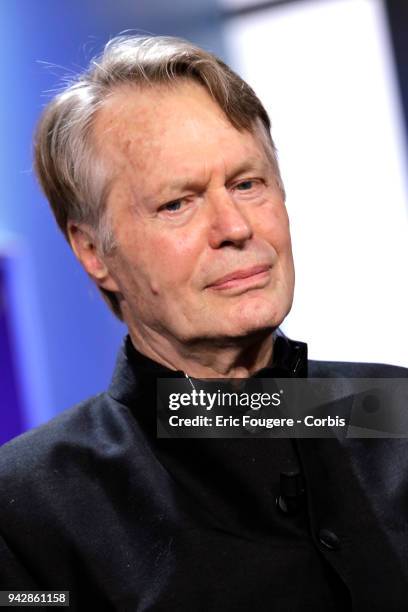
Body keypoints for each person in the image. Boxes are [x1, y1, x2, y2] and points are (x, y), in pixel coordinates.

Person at [0, 35, 407, 611]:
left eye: (247, 184)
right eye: (178, 203)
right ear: (93, 250)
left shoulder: (395, 410)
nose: (234, 226)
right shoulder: (27, 508)